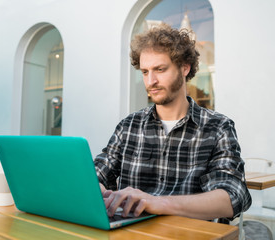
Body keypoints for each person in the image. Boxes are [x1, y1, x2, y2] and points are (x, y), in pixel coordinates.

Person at [94, 23, 251, 221]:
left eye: (160, 69)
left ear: (185, 68)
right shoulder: (129, 126)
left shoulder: (217, 127)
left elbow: (233, 197)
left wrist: (156, 202)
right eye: (144, 72)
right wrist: (92, 188)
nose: (150, 81)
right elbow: (96, 173)